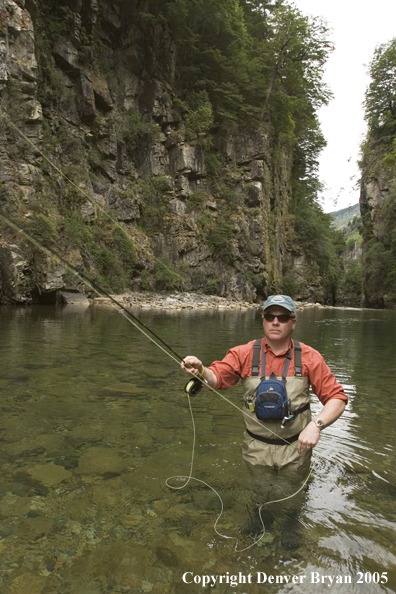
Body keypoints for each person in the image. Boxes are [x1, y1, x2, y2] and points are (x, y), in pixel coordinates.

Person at [181, 294, 347, 476]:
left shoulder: (310, 357)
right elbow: (216, 379)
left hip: (296, 450)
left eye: (282, 318)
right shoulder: (242, 353)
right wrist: (201, 370)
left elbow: (337, 399)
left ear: (293, 322)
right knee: (258, 498)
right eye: (270, 317)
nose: (275, 322)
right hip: (255, 450)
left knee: (293, 501)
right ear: (263, 321)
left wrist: (316, 425)